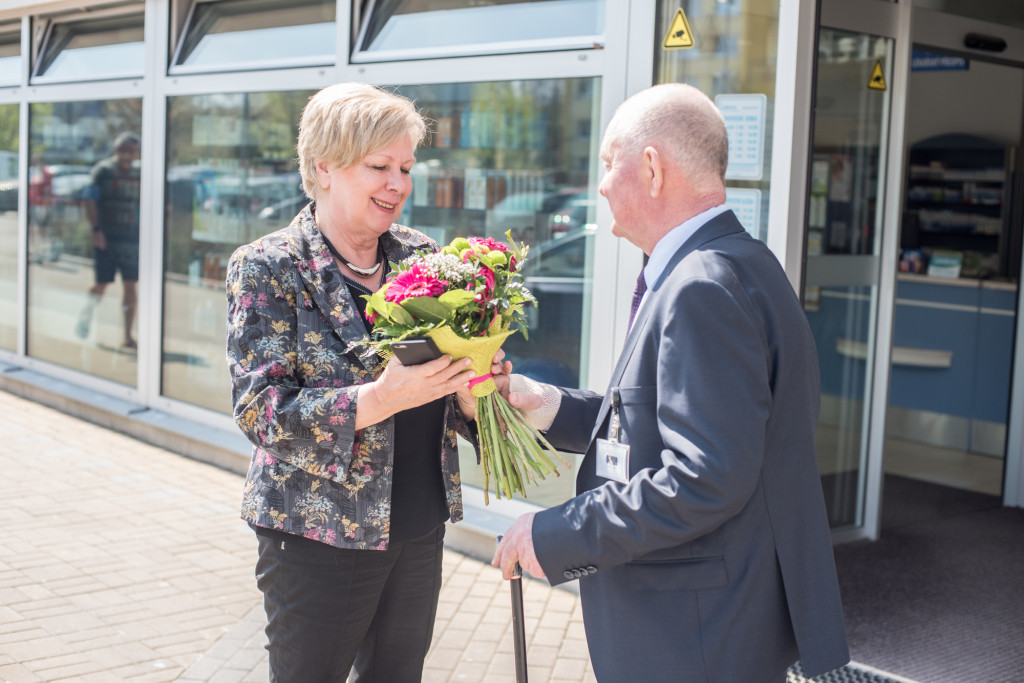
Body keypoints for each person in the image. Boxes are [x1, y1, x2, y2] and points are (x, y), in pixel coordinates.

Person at [492, 83, 850, 682]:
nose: (602, 185)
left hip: (693, 631)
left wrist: (556, 533)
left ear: (652, 169)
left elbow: (704, 478)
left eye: (609, 164)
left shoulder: (700, 286)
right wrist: (547, 404)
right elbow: (664, 427)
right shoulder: (742, 261)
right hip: (714, 616)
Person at [226, 83, 489, 682]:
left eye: (405, 167)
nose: (398, 183)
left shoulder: (424, 258)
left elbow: (443, 392)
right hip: (318, 537)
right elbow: (261, 411)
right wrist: (377, 399)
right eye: (379, 167)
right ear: (324, 166)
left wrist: (473, 398)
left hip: (418, 525)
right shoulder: (270, 267)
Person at [76, 132, 141, 349]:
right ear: (117, 150)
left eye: (134, 151)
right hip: (107, 237)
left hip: (131, 239)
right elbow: (90, 199)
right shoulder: (103, 171)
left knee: (130, 286)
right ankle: (86, 314)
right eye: (127, 150)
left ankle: (127, 335)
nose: (131, 155)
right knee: (102, 283)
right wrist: (96, 230)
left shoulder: (139, 173)